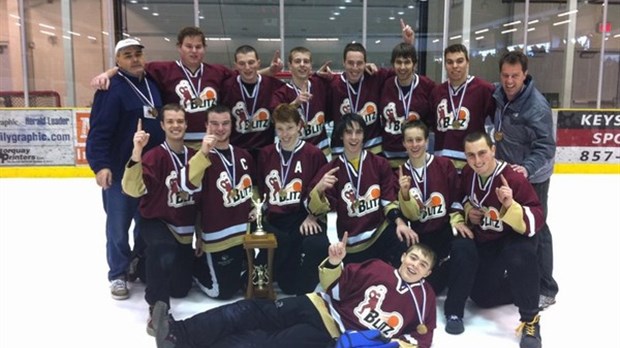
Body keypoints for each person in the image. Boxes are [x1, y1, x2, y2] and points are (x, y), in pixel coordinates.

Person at [152, 233, 438, 348]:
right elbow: (336, 288)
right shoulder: (378, 268)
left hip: (331, 337)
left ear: (428, 272)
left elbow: (420, 342)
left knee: (266, 342)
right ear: (403, 256)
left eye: (422, 264)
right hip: (315, 306)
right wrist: (335, 263)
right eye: (413, 257)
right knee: (250, 310)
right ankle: (179, 334)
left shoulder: (425, 300)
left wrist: (385, 344)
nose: (415, 265)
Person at [91, 27, 282, 150]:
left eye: (198, 46)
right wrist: (108, 73)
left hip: (210, 141)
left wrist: (270, 70)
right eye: (189, 46)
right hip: (177, 141)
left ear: (204, 49)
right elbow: (133, 65)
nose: (194, 51)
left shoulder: (217, 71)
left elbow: (247, 74)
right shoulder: (163, 69)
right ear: (179, 47)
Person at [121, 104, 215, 335]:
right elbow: (132, 190)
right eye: (170, 121)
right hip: (157, 221)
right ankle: (157, 309)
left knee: (180, 288)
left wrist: (201, 235)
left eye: (180, 121)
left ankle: (141, 263)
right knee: (163, 249)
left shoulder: (196, 156)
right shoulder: (153, 156)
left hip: (183, 227)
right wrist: (136, 151)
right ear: (162, 125)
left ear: (186, 124)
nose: (176, 126)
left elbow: (201, 201)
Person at [86, 38, 165, 300]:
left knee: (146, 223)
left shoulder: (153, 85)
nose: (134, 59)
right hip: (120, 171)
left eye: (138, 54)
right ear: (118, 61)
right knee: (118, 226)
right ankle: (118, 274)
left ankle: (136, 262)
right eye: (127, 55)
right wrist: (100, 165)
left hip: (150, 172)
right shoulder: (111, 89)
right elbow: (99, 131)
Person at [450, 132, 544, 348]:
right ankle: (524, 286)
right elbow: (462, 197)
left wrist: (511, 205)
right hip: (486, 239)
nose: (477, 160)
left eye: (482, 153)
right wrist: (467, 211)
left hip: (513, 238)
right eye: (471, 155)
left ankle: (531, 319)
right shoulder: (468, 173)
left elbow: (537, 218)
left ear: (493, 150)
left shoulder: (513, 178)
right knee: (481, 297)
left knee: (519, 256)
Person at [491, 50, 558, 310]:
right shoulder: (499, 95)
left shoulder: (536, 106)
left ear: (525, 75)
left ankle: (546, 287)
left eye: (515, 76)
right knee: (513, 222)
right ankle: (519, 273)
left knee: (537, 228)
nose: (509, 81)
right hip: (511, 173)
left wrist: (527, 170)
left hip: (534, 176)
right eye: (505, 75)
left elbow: (546, 147)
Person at [307, 113, 416, 266]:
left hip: (377, 234)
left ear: (364, 135)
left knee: (403, 237)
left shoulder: (380, 163)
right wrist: (319, 189)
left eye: (358, 132)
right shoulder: (330, 169)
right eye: (348, 132)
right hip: (347, 242)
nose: (354, 137)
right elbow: (316, 210)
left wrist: (400, 222)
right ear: (341, 136)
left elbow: (388, 202)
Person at [396, 120, 467, 334]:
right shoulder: (399, 173)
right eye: (410, 140)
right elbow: (400, 211)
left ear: (427, 141)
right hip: (418, 239)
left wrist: (457, 219)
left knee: (466, 250)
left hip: (443, 233)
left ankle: (454, 311)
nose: (415, 144)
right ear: (404, 144)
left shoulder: (444, 165)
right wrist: (405, 194)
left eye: (419, 139)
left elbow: (457, 197)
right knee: (431, 285)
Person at [256, 103, 329, 295]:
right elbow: (261, 191)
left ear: (299, 126)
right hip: (275, 220)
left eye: (289, 128)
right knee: (281, 277)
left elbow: (321, 192)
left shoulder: (314, 154)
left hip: (302, 217)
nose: (285, 134)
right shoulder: (266, 154)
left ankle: (305, 284)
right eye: (280, 128)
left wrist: (312, 215)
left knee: (319, 245)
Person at [191, 104, 257, 300]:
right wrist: (199, 235)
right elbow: (189, 186)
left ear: (232, 125)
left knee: (246, 284)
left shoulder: (243, 155)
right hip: (216, 236)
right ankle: (194, 267)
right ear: (206, 125)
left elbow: (253, 188)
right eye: (214, 124)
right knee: (222, 292)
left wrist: (254, 205)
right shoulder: (200, 156)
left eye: (225, 123)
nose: (220, 128)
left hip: (243, 234)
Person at [322, 19, 415, 156]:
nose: (355, 68)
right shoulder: (333, 85)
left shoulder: (374, 76)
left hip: (373, 149)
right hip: (342, 151)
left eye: (359, 63)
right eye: (350, 63)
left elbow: (401, 69)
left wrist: (408, 44)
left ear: (366, 63)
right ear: (343, 63)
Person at [430, 44, 495, 170]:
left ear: (468, 62)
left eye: (459, 61)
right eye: (450, 62)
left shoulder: (484, 89)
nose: (455, 66)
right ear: (445, 65)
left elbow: (496, 121)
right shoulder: (437, 92)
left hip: (473, 165)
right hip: (443, 166)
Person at [221, 45, 285, 160]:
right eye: (242, 63)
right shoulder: (226, 87)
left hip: (266, 152)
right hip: (236, 152)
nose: (247, 67)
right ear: (235, 66)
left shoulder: (275, 85)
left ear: (258, 63)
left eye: (251, 62)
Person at [380, 43, 436, 169]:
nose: (402, 67)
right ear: (393, 64)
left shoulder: (428, 86)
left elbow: (433, 120)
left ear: (415, 65)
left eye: (407, 62)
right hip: (388, 157)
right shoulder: (384, 85)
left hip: (417, 157)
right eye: (398, 62)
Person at [271, 46, 331, 157]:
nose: (302, 64)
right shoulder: (281, 93)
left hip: (322, 152)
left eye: (306, 61)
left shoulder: (321, 84)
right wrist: (296, 103)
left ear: (311, 65)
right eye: (298, 61)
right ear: (290, 66)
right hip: (294, 154)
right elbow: (276, 118)